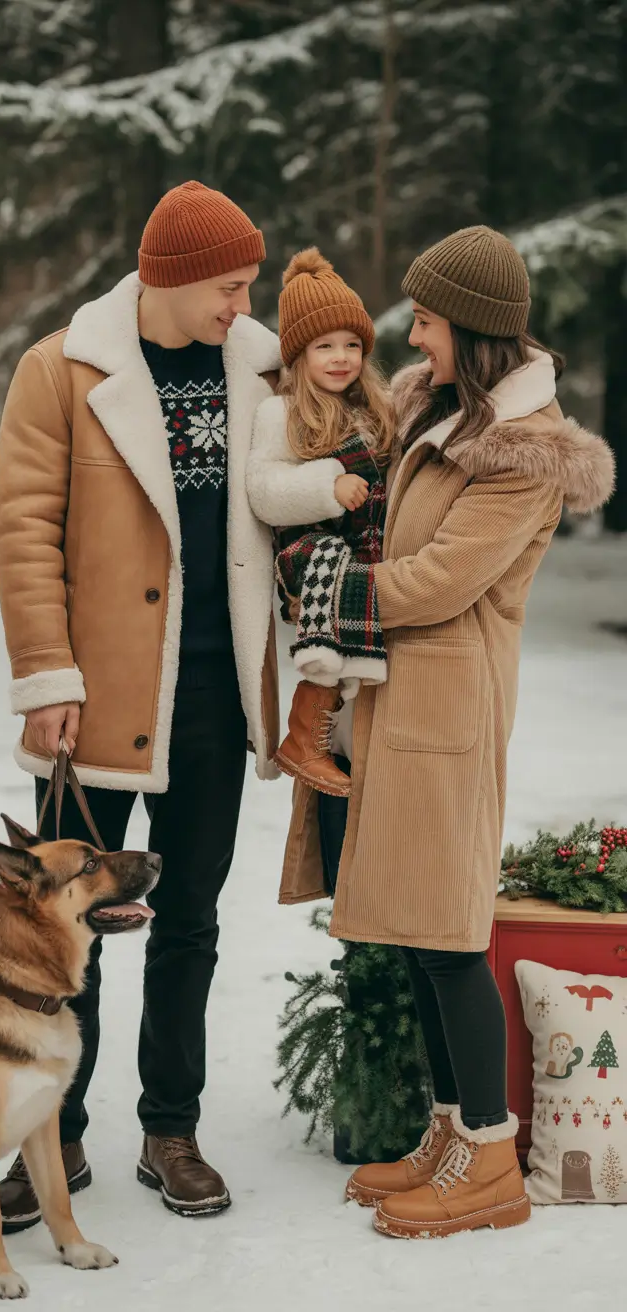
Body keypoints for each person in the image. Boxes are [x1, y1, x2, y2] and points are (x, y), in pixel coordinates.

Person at [276, 226, 615, 1238]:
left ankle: (490, 1157)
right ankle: (447, 1132)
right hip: (396, 698)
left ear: (466, 328)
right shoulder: (436, 410)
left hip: (449, 706)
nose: (407, 335)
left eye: (423, 320)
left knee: (451, 935)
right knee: (419, 937)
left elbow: (439, 580)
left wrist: (327, 585)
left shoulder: (524, 452)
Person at [0, 180, 282, 1226]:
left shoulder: (264, 366)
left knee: (189, 921)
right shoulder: (61, 368)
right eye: (229, 285)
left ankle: (171, 1129)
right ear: (169, 279)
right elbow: (25, 526)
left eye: (249, 285)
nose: (241, 305)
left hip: (216, 694)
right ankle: (52, 1141)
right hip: (92, 702)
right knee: (63, 932)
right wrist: (46, 677)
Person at [247, 249, 395, 798]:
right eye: (324, 346)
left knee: (355, 584)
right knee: (337, 575)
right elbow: (262, 490)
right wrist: (327, 486)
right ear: (298, 354)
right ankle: (304, 734)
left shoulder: (374, 409)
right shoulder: (280, 414)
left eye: (352, 345)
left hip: (362, 550)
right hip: (308, 550)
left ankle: (323, 730)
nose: (341, 358)